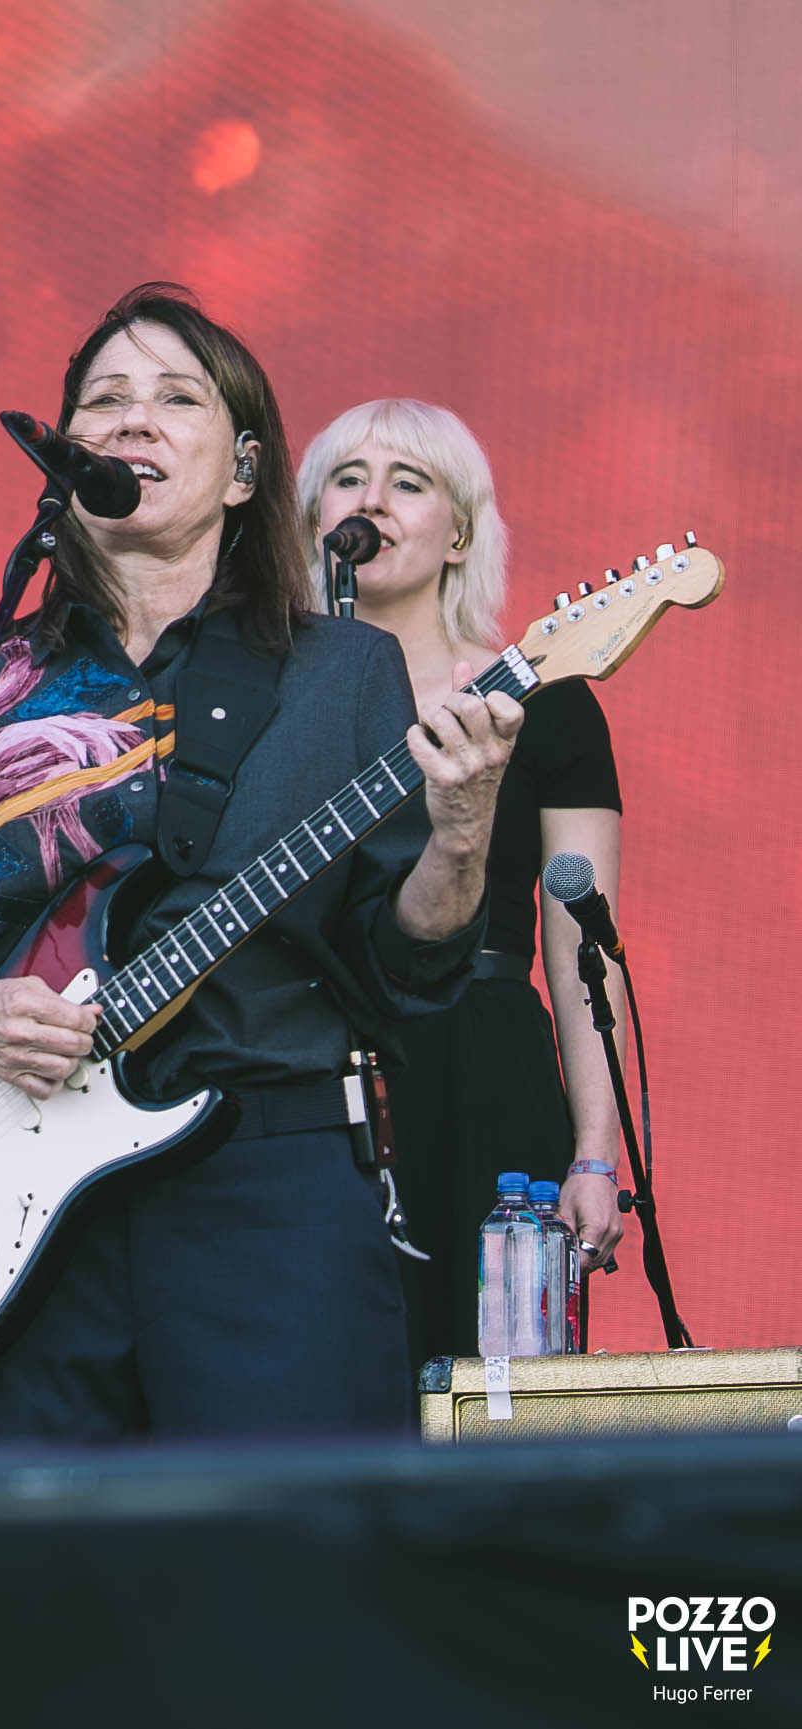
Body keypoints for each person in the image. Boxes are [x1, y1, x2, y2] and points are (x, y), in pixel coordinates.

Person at [0, 287, 523, 1444]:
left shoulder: (343, 672)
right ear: (65, 457)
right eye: (105, 400)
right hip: (9, 1216)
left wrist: (463, 830)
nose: (133, 419)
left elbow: (404, 966)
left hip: (269, 1191)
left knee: (291, 1545)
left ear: (244, 470)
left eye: (177, 399)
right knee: (38, 1562)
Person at [296, 397, 626, 1366]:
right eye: (347, 479)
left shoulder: (545, 704)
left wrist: (594, 1151)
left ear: (460, 534)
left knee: (496, 1380)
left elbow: (583, 947)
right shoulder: (262, 698)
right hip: (304, 1062)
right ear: (312, 521)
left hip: (484, 1061)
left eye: (408, 482)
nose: (372, 500)